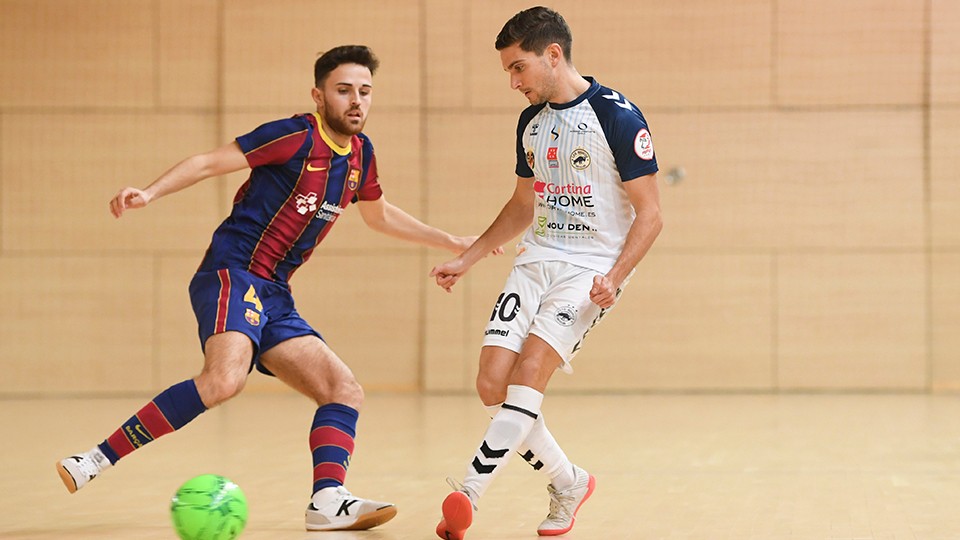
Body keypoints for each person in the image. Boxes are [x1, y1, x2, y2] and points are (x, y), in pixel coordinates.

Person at [56, 45, 491, 533]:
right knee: (224, 380)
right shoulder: (294, 135)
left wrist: (453, 240)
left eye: (364, 92)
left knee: (343, 390)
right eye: (343, 90)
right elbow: (207, 162)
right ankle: (94, 459)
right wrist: (150, 192)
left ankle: (327, 501)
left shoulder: (361, 157)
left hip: (274, 293)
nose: (356, 101)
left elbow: (381, 216)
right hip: (232, 271)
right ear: (319, 94)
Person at [430, 7, 663, 539]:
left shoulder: (617, 117)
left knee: (528, 377)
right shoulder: (530, 121)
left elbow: (651, 215)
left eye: (519, 68)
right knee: (492, 384)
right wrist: (468, 258)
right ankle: (569, 480)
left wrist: (616, 276)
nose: (513, 82)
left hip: (588, 272)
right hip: (535, 260)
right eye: (508, 72)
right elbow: (520, 205)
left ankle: (467, 491)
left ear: (552, 55)